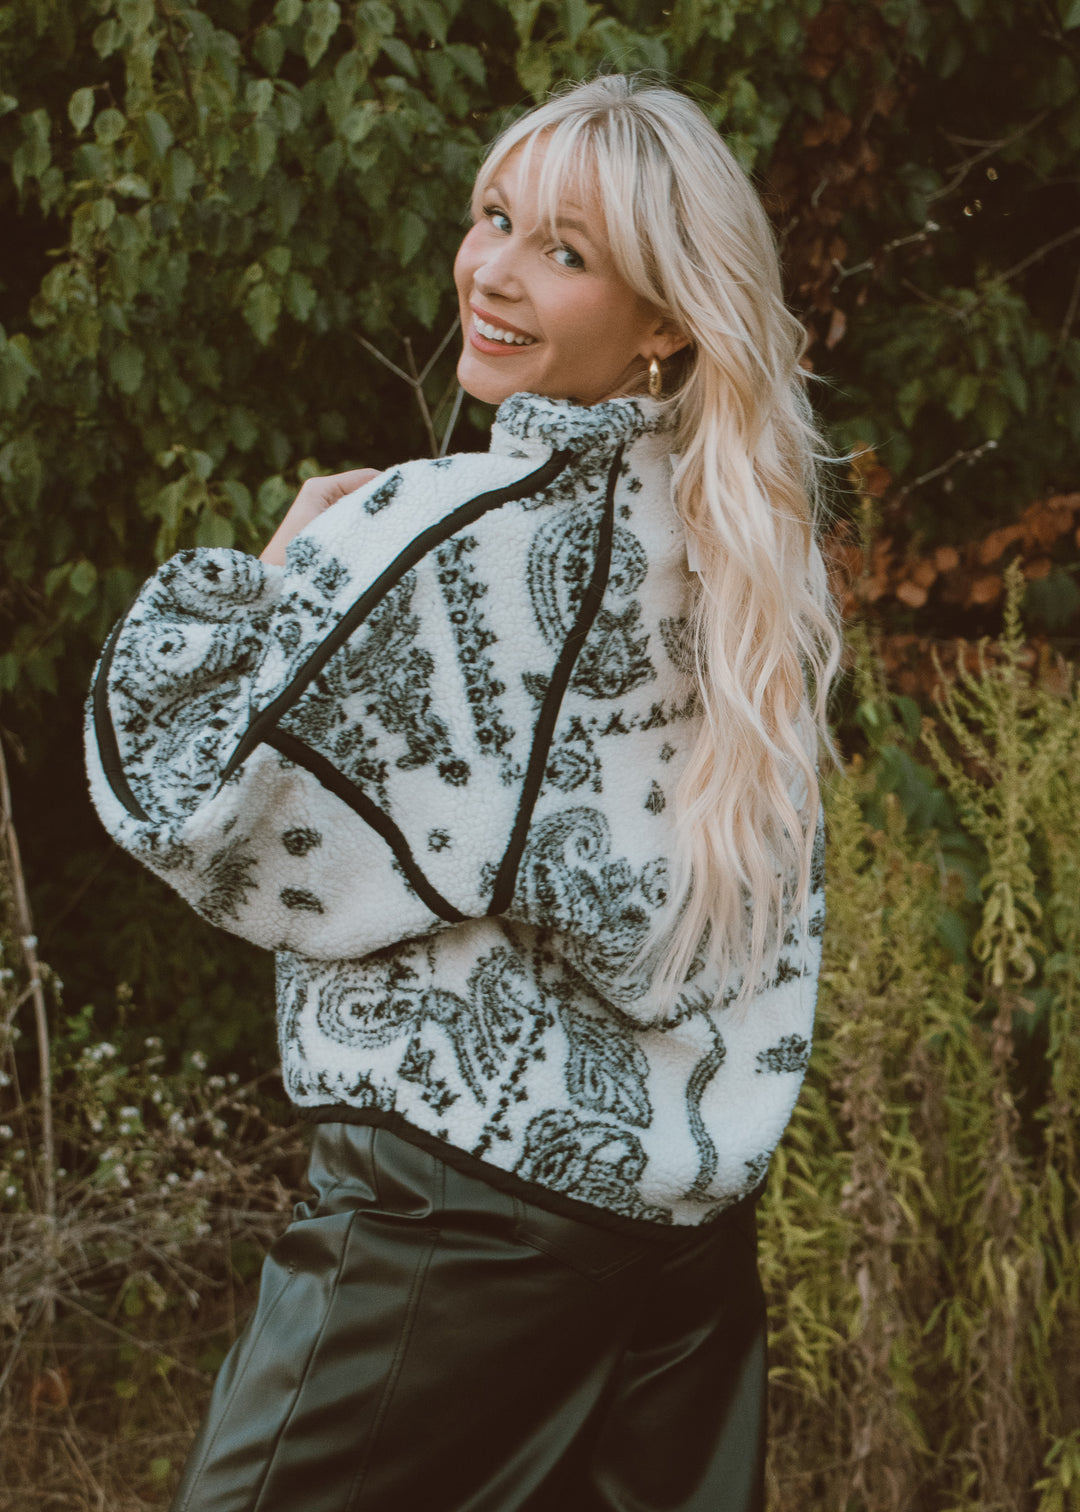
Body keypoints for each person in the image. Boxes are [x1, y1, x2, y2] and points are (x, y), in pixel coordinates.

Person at [85, 73, 841, 1512]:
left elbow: (178, 796)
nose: (492, 271)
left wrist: (256, 589)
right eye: (496, 217)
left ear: (667, 316)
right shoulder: (748, 556)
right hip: (680, 1232)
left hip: (446, 1221)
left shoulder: (444, 536)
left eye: (565, 251)